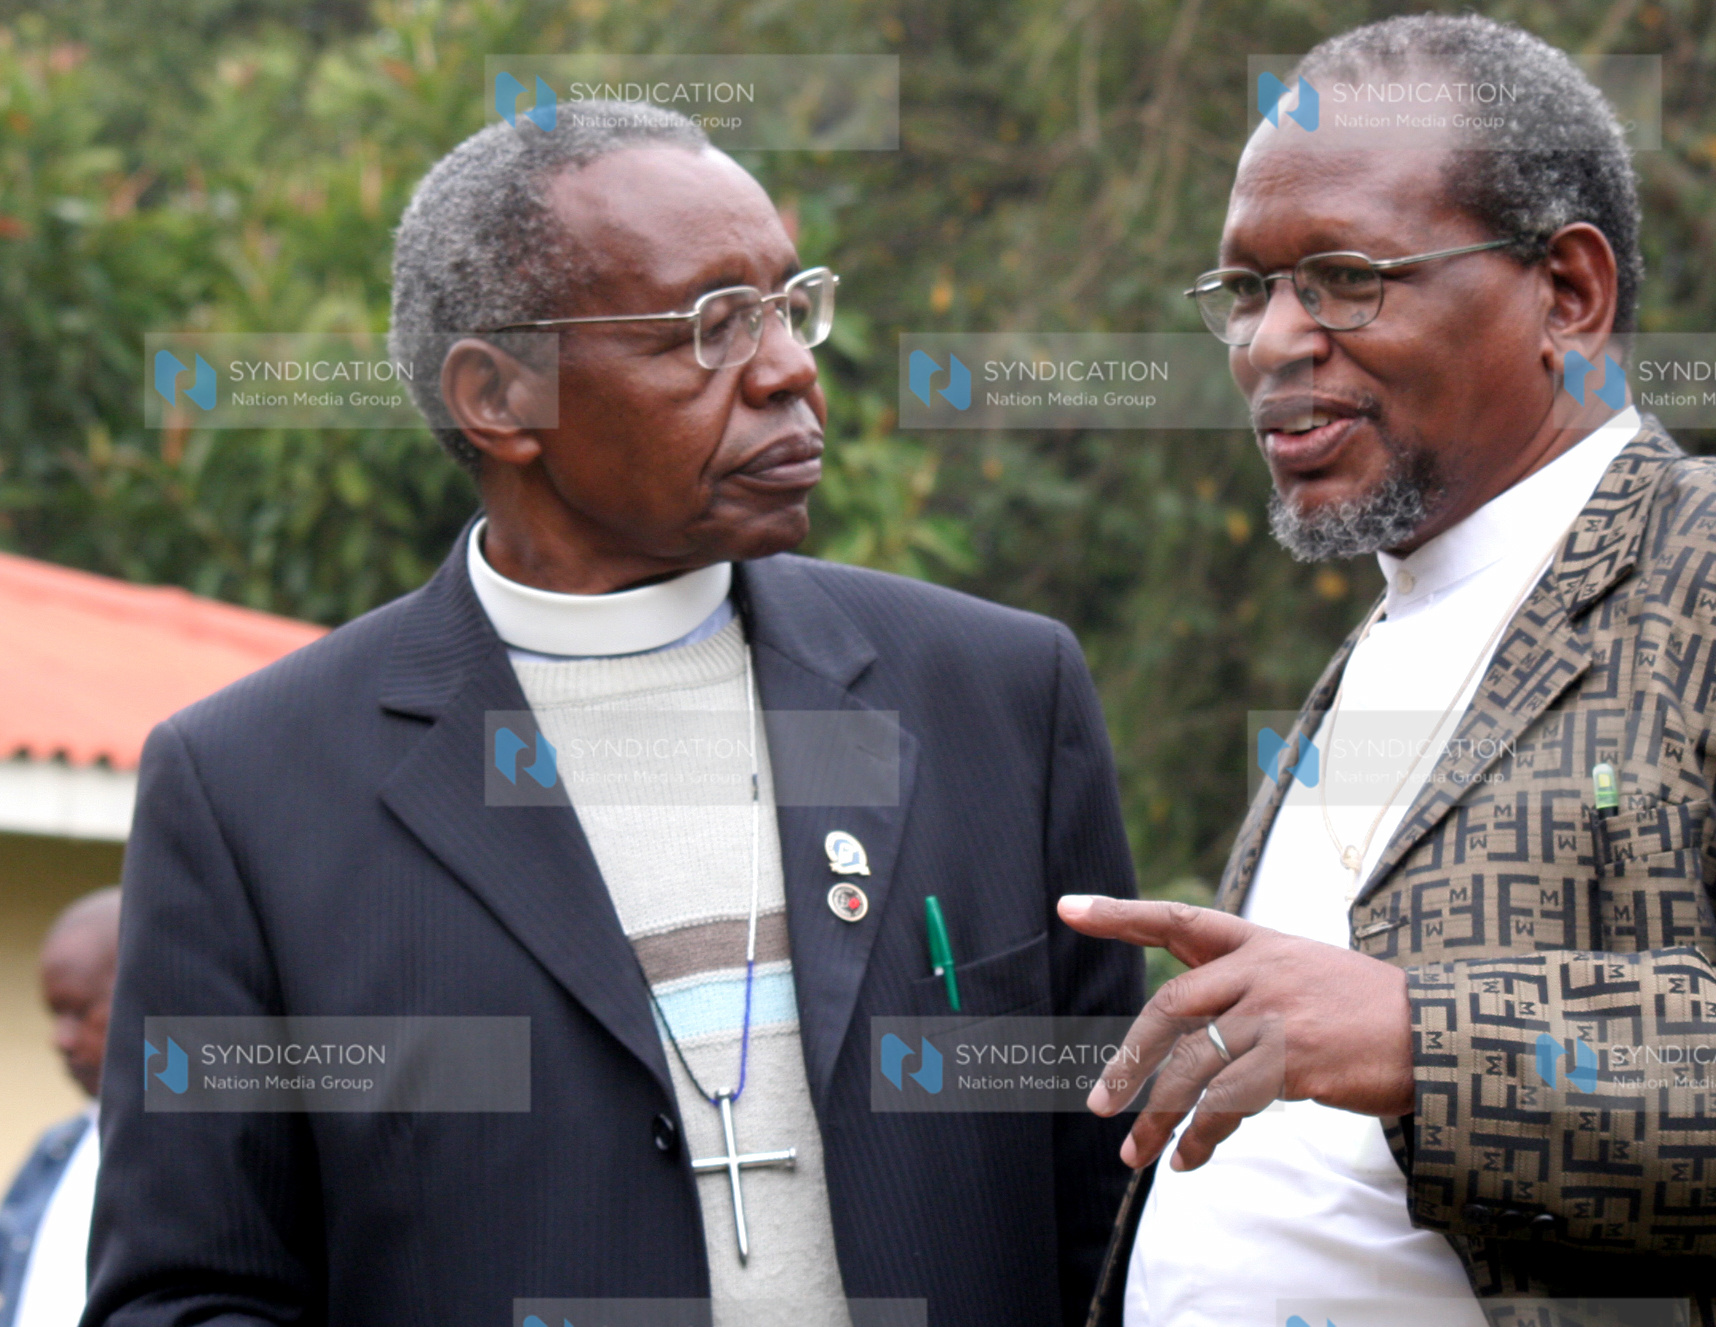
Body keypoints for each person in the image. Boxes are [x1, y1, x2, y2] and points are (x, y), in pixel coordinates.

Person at [1063, 15, 1716, 1327]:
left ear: (1569, 294)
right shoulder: (1383, 639)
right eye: (1245, 290)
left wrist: (1431, 1038)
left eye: (1345, 277)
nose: (1269, 342)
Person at [87, 102, 1141, 1327]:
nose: (791, 366)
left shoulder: (997, 695)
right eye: (710, 326)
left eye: (791, 304)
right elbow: (190, 1295)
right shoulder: (249, 789)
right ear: (499, 397)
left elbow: (1112, 1229)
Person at [1, 887, 120, 1327]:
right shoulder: (55, 1152)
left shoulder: (212, 1160)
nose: (60, 1040)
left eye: (78, 1011)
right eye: (55, 1016)